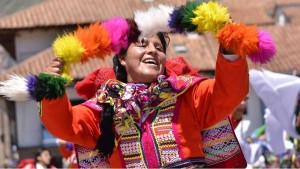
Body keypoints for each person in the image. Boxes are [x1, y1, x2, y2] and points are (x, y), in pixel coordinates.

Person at [39, 3, 250, 168]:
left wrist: (230, 51)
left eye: (159, 47)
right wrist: (52, 91)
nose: (153, 51)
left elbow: (229, 92)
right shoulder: (104, 108)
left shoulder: (187, 94)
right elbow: (64, 125)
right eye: (143, 44)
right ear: (122, 58)